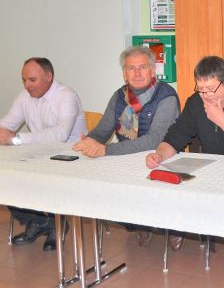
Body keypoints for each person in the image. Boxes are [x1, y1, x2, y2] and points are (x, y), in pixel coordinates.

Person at [146, 55, 224, 267]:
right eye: (201, 89)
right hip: (215, 167)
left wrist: (220, 119)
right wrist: (159, 154)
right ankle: (187, 228)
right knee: (176, 183)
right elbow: (176, 136)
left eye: (211, 89)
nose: (206, 96)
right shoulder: (196, 102)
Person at [73, 46, 180, 247]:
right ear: (124, 74)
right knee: (105, 189)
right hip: (126, 158)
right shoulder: (119, 96)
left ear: (152, 70)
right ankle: (139, 223)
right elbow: (103, 130)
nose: (137, 73)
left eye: (143, 67)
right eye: (131, 68)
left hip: (161, 158)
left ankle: (171, 225)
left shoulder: (167, 96)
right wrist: (89, 141)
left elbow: (155, 140)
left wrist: (106, 150)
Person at [0, 57, 87, 251]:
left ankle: (53, 223)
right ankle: (43, 223)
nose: (27, 85)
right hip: (37, 154)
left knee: (41, 179)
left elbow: (60, 135)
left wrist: (17, 139)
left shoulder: (66, 96)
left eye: (32, 80)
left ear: (49, 77)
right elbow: (7, 124)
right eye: (24, 80)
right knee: (3, 177)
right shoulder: (24, 96)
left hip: (68, 157)